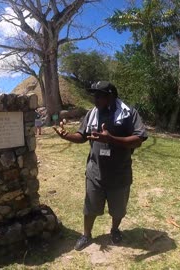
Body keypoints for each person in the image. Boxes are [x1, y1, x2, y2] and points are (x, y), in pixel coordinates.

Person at [53, 81, 148, 251]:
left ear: (111, 96)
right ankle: (86, 235)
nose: (95, 99)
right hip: (95, 172)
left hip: (120, 173)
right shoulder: (92, 114)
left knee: (118, 209)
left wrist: (111, 139)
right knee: (90, 208)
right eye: (94, 95)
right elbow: (82, 136)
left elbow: (138, 140)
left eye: (99, 95)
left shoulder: (128, 114)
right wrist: (66, 136)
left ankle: (115, 230)